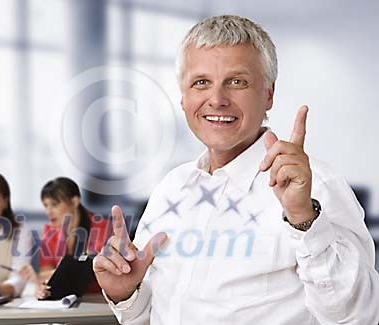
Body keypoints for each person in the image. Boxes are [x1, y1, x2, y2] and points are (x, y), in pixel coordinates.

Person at [94, 15, 379, 324]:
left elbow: (360, 316)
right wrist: (126, 294)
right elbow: (148, 317)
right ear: (184, 97)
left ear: (268, 94)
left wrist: (303, 219)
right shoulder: (171, 189)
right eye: (201, 82)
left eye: (237, 82)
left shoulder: (315, 188)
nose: (217, 100)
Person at [36, 177, 112, 300]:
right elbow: (44, 273)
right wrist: (44, 286)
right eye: (46, 205)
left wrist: (56, 275)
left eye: (54, 204)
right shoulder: (49, 233)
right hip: (64, 301)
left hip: (100, 300)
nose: (48, 211)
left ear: (74, 202)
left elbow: (97, 269)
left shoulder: (103, 228)